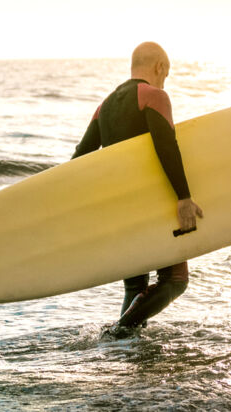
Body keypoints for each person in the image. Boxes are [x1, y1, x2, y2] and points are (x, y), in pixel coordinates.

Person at [71, 42, 204, 336]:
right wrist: (184, 197)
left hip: (121, 212)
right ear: (159, 67)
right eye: (165, 75)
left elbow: (80, 159)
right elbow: (166, 146)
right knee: (176, 279)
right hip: (152, 207)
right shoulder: (154, 96)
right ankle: (119, 331)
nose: (163, 81)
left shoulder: (104, 106)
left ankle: (126, 352)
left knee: (135, 285)